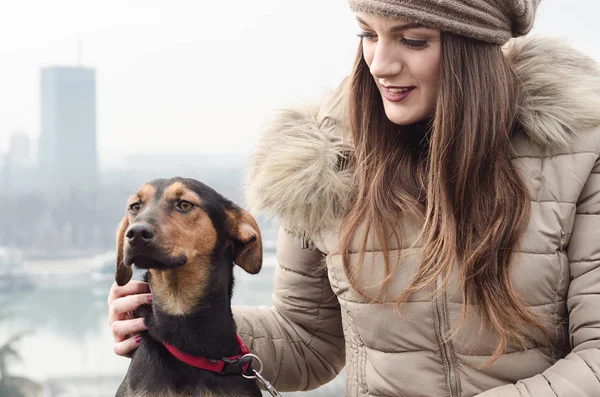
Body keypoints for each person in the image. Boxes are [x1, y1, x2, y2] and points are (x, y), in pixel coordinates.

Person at [108, 0, 600, 396]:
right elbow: (308, 343)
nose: (381, 64)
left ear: (475, 47)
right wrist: (177, 327)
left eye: (412, 39)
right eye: (367, 34)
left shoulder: (578, 153)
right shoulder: (318, 164)